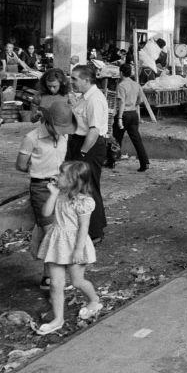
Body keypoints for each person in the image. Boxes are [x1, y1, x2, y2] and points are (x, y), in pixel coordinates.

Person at [34, 161, 103, 335]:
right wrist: (53, 194)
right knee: (56, 285)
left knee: (77, 282)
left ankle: (94, 299)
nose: (57, 176)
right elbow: (45, 213)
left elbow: (83, 228)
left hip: (74, 244)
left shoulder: (84, 201)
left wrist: (79, 250)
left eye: (62, 174)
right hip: (57, 243)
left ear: (74, 179)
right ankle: (58, 319)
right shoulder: (60, 195)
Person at [16, 99, 75, 291]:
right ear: (47, 122)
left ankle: (49, 276)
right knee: (51, 232)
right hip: (41, 187)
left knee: (60, 230)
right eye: (58, 127)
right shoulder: (32, 138)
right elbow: (21, 165)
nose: (60, 131)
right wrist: (39, 170)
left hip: (61, 185)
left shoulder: (64, 137)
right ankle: (52, 278)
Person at [66, 65, 109, 241]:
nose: (72, 82)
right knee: (83, 187)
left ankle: (95, 232)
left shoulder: (95, 100)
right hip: (80, 142)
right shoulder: (85, 98)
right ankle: (93, 226)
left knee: (89, 188)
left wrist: (82, 154)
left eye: (75, 78)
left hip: (89, 146)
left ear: (86, 80)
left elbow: (93, 130)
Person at [106, 62, 150, 172]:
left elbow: (121, 103)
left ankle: (111, 161)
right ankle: (144, 163)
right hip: (133, 114)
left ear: (121, 73)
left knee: (116, 140)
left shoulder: (121, 85)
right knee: (137, 140)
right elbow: (140, 100)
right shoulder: (136, 84)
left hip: (124, 114)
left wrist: (120, 118)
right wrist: (133, 105)